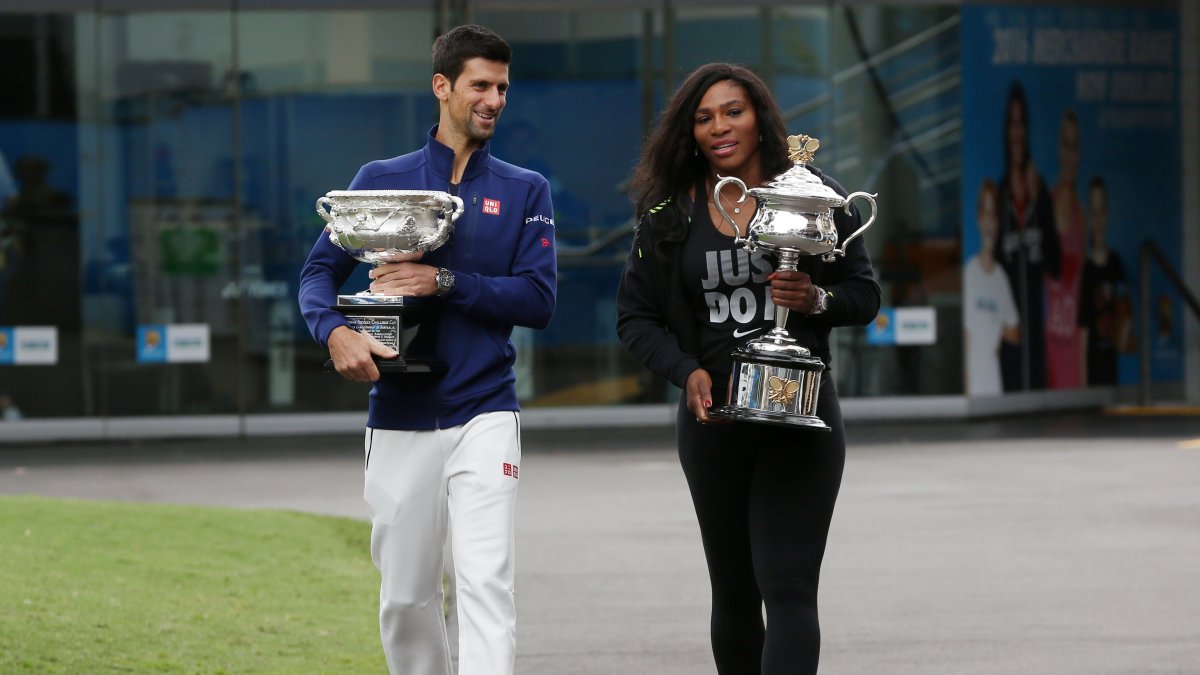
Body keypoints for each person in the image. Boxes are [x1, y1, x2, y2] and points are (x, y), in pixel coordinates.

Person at [297, 24, 557, 675]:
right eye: (480, 85)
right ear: (442, 87)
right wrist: (336, 332)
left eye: (502, 86)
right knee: (406, 597)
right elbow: (316, 275)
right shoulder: (382, 180)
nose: (494, 98)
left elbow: (538, 300)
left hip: (486, 410)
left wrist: (443, 280)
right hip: (399, 413)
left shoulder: (527, 190)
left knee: (485, 583)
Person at [615, 63, 879, 674]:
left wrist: (816, 300)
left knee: (788, 587)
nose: (719, 128)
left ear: (760, 117)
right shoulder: (668, 214)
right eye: (704, 118)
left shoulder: (813, 193)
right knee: (734, 590)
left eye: (733, 111)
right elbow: (635, 318)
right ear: (690, 131)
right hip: (714, 425)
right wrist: (685, 371)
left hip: (801, 412)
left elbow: (864, 295)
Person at [996, 80, 1060, 392]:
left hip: (1036, 323)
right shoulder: (1001, 191)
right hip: (1007, 323)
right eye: (1012, 123)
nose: (1017, 132)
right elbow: (994, 261)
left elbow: (1055, 262)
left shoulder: (1040, 190)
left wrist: (1038, 201)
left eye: (1022, 123)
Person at [964, 178, 1019, 395]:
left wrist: (996, 328)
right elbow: (966, 333)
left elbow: (1015, 331)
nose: (989, 221)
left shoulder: (1000, 279)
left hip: (994, 386)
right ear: (978, 219)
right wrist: (966, 383)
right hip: (972, 385)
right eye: (985, 213)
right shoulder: (970, 273)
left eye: (993, 214)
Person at [1078, 175, 1131, 386]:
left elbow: (1126, 313)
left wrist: (1123, 336)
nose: (1098, 218)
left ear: (1106, 213)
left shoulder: (1115, 263)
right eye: (1093, 211)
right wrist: (1082, 379)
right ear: (1089, 216)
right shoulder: (1087, 269)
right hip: (1093, 362)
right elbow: (1082, 328)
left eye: (1101, 210)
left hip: (1112, 360)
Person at [1046, 109, 1085, 389]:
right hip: (1051, 339)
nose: (1070, 155)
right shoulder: (1048, 203)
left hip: (1074, 340)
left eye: (1075, 146)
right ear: (1059, 151)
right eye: (1065, 145)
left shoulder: (1081, 214)